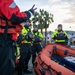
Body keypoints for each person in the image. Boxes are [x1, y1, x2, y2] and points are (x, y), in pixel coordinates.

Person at [0, 0, 36, 75]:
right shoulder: (5, 1)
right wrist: (29, 13)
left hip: (7, 40)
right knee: (6, 69)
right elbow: (15, 17)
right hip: (5, 40)